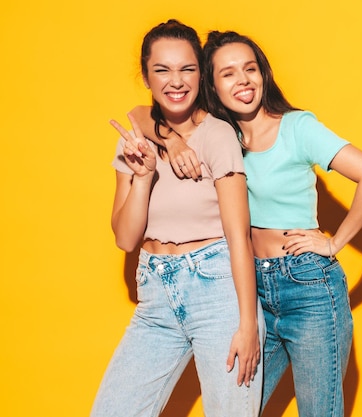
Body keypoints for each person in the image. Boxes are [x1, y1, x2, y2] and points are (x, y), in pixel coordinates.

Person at [130, 30, 362, 417]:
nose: (243, 80)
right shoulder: (221, 135)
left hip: (308, 287)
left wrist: (334, 243)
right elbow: (138, 113)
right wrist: (172, 141)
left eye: (250, 69)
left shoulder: (297, 127)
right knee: (236, 407)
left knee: (320, 411)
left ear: (264, 75)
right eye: (228, 73)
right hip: (247, 289)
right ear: (211, 85)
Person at [90, 21, 263, 417]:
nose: (176, 81)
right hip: (155, 295)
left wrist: (248, 324)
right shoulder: (133, 139)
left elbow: (239, 236)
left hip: (218, 293)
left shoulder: (218, 135)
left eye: (187, 69)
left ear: (200, 74)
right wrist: (145, 172)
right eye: (162, 70)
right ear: (146, 75)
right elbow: (125, 239)